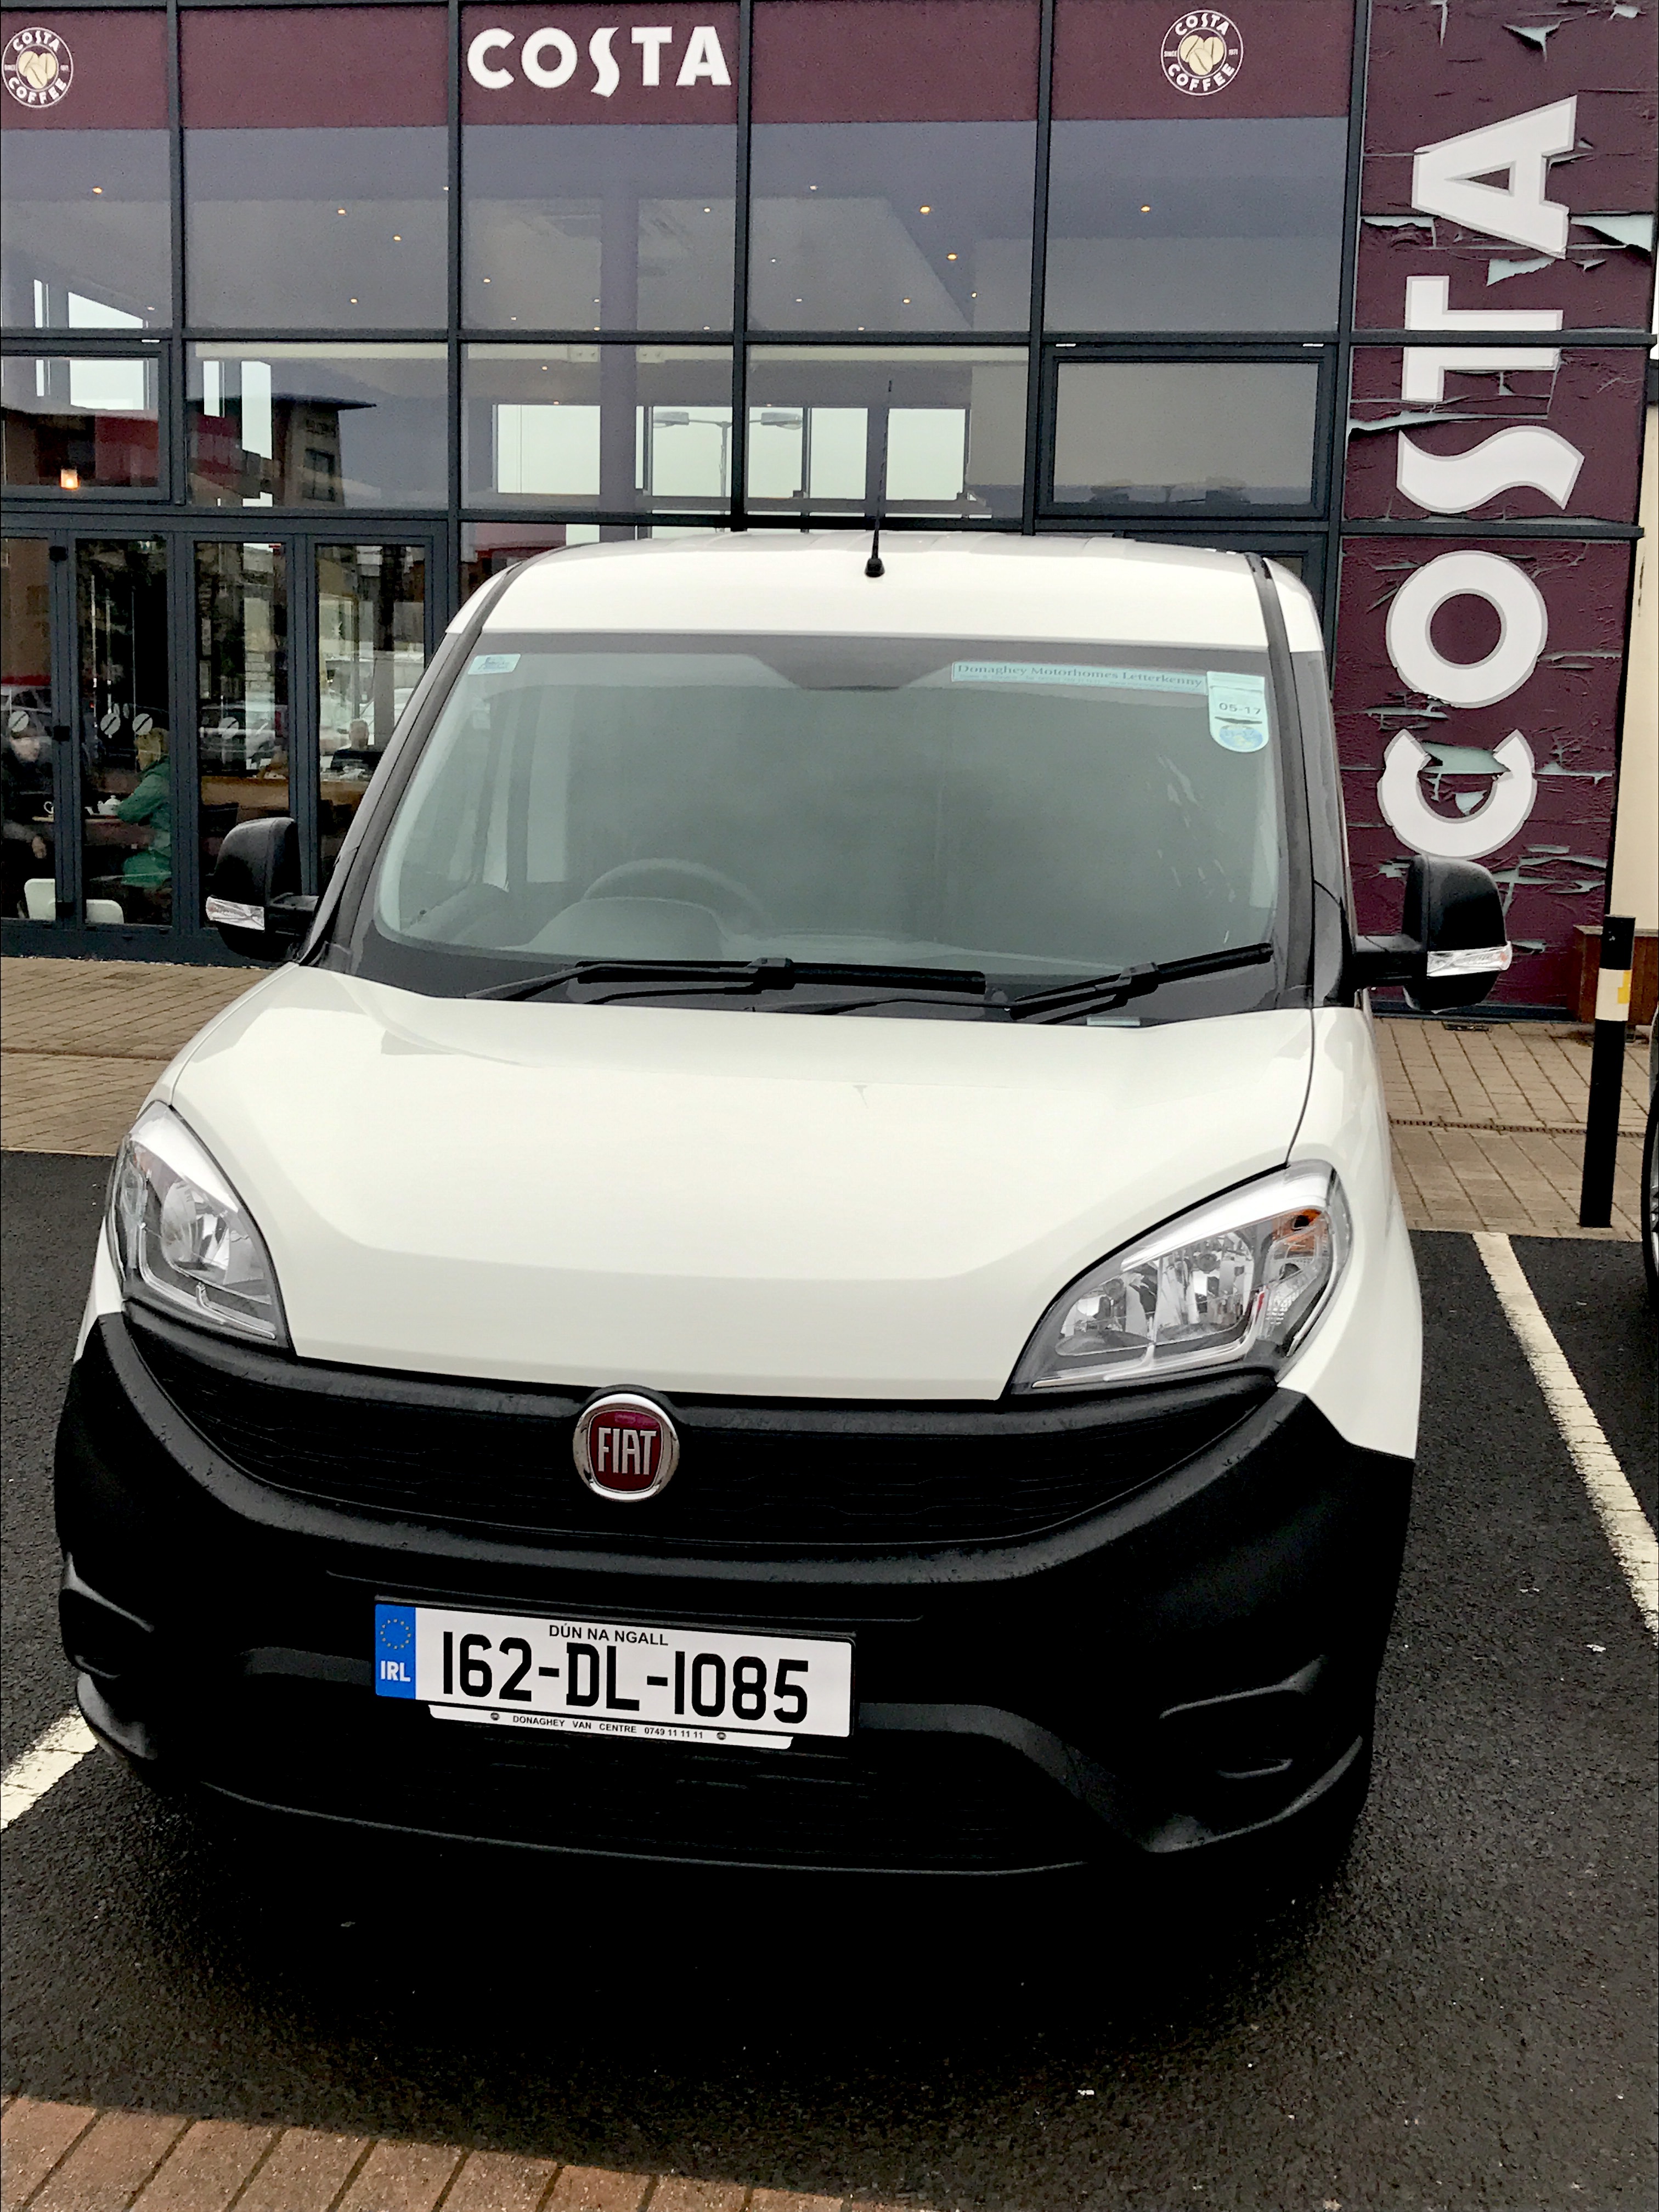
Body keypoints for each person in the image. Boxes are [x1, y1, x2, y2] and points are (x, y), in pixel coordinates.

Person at [98, 722, 171, 920]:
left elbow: (128, 812)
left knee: (112, 862)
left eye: (140, 751)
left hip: (164, 856)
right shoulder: (175, 773)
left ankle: (120, 917)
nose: (137, 757)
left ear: (151, 752)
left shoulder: (159, 779)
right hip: (173, 849)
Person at [2, 716, 54, 917]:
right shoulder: (6, 772)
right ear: (13, 742)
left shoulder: (33, 769)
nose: (36, 746)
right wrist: (31, 838)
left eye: (38, 739)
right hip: (13, 851)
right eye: (29, 739)